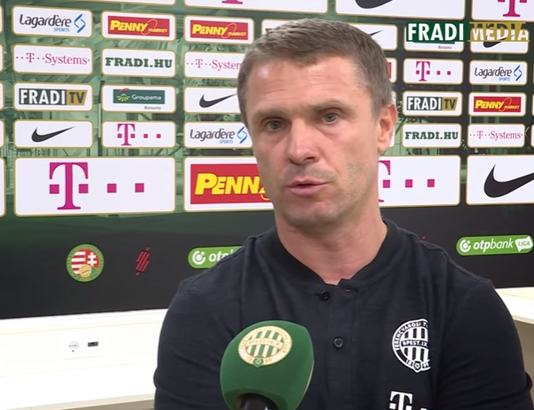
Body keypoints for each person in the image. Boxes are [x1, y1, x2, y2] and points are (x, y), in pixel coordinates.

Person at [153, 17, 534, 410]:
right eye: (274, 124)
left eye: (329, 116)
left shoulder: (464, 307)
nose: (299, 149)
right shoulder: (205, 309)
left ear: (383, 126)